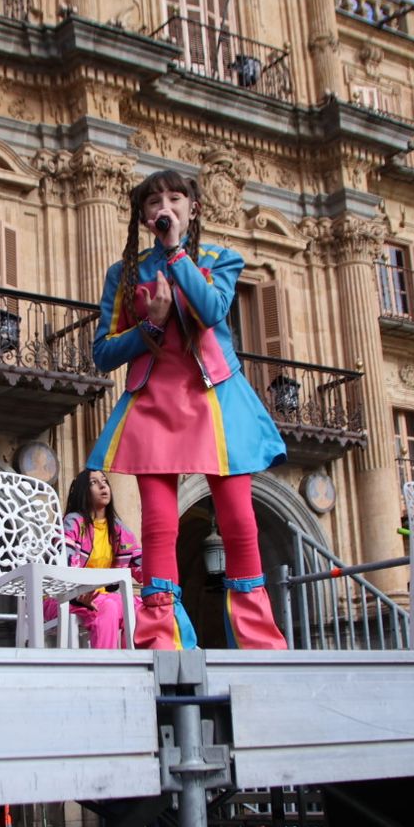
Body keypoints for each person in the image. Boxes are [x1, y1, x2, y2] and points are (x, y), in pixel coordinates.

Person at [87, 170, 286, 650]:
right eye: (154, 200)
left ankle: (258, 643)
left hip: (216, 401)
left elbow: (213, 310)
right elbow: (103, 352)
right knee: (158, 523)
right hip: (154, 403)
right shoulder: (125, 274)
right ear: (142, 214)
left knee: (239, 521)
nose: (165, 206)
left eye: (175, 198)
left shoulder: (221, 259)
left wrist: (176, 254)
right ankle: (162, 639)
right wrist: (149, 331)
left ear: (192, 209)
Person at [53, 469, 142, 649]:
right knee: (108, 607)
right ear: (82, 491)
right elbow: (63, 564)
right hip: (62, 597)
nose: (103, 485)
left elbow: (142, 566)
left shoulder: (119, 530)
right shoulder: (73, 523)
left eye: (104, 481)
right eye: (94, 482)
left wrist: (162, 590)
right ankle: (105, 671)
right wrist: (78, 594)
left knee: (140, 608)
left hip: (100, 596)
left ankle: (131, 666)